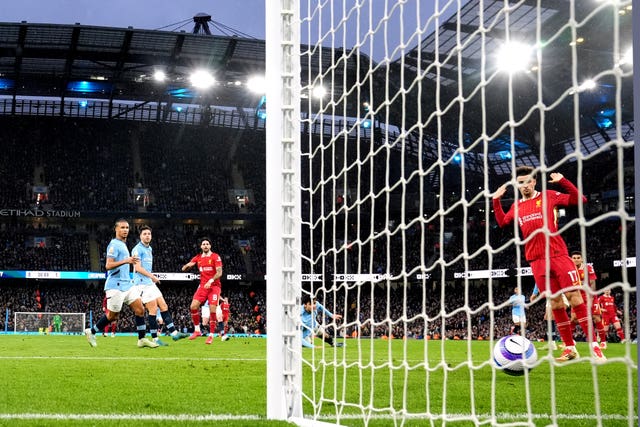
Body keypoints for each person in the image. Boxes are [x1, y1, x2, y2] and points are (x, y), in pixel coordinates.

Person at [493, 166, 605, 362]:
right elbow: (502, 222)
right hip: (535, 260)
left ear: (534, 181)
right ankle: (570, 348)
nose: (525, 185)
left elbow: (581, 199)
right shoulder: (516, 206)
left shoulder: (549, 195)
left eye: (528, 181)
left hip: (558, 255)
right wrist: (496, 200)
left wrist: (563, 181)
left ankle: (594, 346)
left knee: (575, 297)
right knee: (555, 303)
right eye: (521, 182)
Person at [84, 218, 158, 348]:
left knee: (140, 309)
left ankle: (141, 339)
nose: (125, 230)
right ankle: (92, 331)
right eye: (122, 228)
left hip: (127, 285)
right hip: (115, 285)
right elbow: (108, 265)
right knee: (113, 316)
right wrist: (126, 261)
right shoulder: (113, 245)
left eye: (127, 228)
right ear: (116, 229)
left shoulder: (123, 244)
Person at [132, 225, 189, 346]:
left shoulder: (149, 249)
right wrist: (152, 276)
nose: (147, 236)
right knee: (153, 309)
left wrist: (151, 278)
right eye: (144, 234)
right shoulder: (137, 249)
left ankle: (174, 333)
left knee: (163, 305)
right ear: (140, 236)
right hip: (141, 284)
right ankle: (155, 339)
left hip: (149, 282)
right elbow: (137, 268)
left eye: (149, 234)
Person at [181, 237, 223, 345]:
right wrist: (187, 266)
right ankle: (197, 331)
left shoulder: (215, 257)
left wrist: (211, 280)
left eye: (207, 244)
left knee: (212, 309)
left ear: (210, 246)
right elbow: (185, 267)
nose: (205, 245)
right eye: (203, 244)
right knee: (193, 306)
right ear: (201, 246)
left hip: (214, 286)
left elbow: (219, 272)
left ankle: (211, 335)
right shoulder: (198, 258)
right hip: (203, 286)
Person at [570, 251, 608, 348]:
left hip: (590, 295)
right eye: (574, 258)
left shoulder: (588, 268)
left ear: (582, 259)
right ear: (571, 259)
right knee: (574, 318)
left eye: (578, 257)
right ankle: (570, 341)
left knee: (596, 317)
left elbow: (592, 283)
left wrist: (590, 298)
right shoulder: (570, 269)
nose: (576, 259)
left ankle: (603, 342)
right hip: (577, 296)